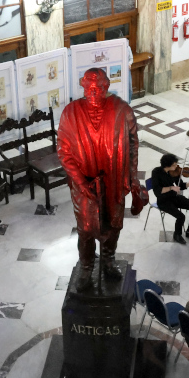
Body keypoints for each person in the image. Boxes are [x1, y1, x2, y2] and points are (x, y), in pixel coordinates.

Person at [57, 68, 144, 290]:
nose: (94, 92)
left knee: (113, 226)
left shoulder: (122, 110)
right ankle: (86, 266)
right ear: (83, 87)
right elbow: (64, 152)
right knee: (86, 229)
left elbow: (133, 146)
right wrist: (81, 182)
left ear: (107, 87)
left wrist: (133, 180)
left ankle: (108, 260)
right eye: (90, 88)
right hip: (84, 185)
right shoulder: (71, 113)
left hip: (113, 182)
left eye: (100, 88)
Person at [151, 154, 189, 244]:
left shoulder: (174, 172)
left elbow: (182, 186)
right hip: (163, 201)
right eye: (174, 164)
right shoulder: (156, 172)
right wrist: (171, 188)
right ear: (168, 165)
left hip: (174, 197)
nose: (176, 166)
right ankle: (177, 235)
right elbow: (157, 192)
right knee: (181, 216)